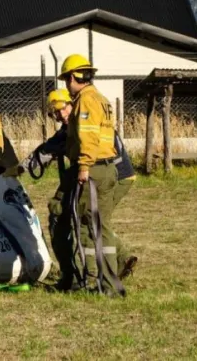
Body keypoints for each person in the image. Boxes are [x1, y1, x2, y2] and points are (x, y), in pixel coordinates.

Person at [23, 88, 138, 290]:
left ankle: (94, 274)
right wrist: (18, 168)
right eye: (55, 112)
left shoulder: (86, 123)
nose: (61, 115)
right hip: (94, 174)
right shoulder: (69, 128)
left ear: (73, 105)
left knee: (91, 221)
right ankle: (118, 262)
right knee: (92, 220)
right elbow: (47, 150)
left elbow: (91, 150)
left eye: (63, 108)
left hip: (116, 176)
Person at [59, 54, 124, 295]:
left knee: (87, 224)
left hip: (93, 170)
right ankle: (109, 282)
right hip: (107, 168)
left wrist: (84, 167)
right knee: (102, 226)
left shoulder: (85, 101)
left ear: (74, 77)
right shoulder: (101, 99)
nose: (67, 85)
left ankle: (93, 279)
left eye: (67, 79)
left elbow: (88, 137)